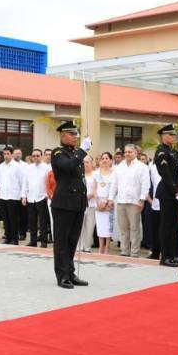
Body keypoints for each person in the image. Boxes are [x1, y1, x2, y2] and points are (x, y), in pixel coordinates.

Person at [51, 122, 91, 288]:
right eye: (72, 134)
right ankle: (62, 275)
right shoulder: (58, 153)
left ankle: (70, 272)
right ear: (62, 135)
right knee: (62, 241)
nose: (75, 137)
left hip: (77, 203)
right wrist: (82, 151)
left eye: (76, 134)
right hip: (64, 203)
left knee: (72, 240)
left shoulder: (75, 153)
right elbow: (68, 166)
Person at [111, 143, 149, 257]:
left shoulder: (142, 167)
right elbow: (114, 184)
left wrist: (142, 199)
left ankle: (134, 252)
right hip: (121, 201)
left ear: (136, 153)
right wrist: (110, 198)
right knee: (123, 228)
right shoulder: (119, 167)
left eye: (130, 152)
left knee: (134, 228)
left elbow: (145, 184)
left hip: (135, 202)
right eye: (126, 152)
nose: (127, 154)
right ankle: (124, 250)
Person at [154, 124, 178, 267]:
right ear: (163, 136)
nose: (173, 137)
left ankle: (175, 254)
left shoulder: (174, 152)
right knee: (166, 225)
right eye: (170, 135)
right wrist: (176, 191)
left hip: (176, 193)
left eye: (173, 135)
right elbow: (165, 174)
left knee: (174, 226)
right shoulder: (161, 152)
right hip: (168, 193)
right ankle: (165, 256)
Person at [24, 148, 51, 247]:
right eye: (34, 156)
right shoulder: (29, 168)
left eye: (37, 156)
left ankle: (44, 241)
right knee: (32, 221)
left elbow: (50, 183)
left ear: (41, 156)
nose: (35, 157)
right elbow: (25, 182)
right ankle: (33, 241)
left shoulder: (47, 168)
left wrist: (48, 195)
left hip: (42, 197)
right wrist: (24, 196)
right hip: (31, 198)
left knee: (43, 221)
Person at [0, 146, 24, 245]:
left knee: (13, 219)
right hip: (3, 195)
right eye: (4, 154)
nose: (6, 156)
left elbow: (22, 181)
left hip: (14, 196)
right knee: (6, 219)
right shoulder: (1, 166)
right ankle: (8, 237)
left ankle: (14, 239)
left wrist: (22, 195)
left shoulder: (17, 166)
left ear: (12, 154)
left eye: (8, 154)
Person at [91, 152, 115, 255]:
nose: (104, 160)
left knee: (108, 226)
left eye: (106, 158)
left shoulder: (114, 173)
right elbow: (94, 189)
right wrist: (98, 202)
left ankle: (107, 248)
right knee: (100, 226)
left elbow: (114, 189)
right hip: (98, 202)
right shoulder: (96, 173)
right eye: (103, 158)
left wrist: (106, 202)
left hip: (109, 202)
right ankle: (101, 247)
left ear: (110, 160)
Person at [79, 155, 97, 252]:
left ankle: (87, 247)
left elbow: (96, 189)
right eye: (83, 162)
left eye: (87, 162)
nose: (85, 164)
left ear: (92, 163)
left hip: (91, 205)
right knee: (79, 227)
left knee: (90, 227)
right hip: (80, 205)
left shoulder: (96, 174)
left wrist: (87, 197)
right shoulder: (79, 174)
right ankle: (79, 247)